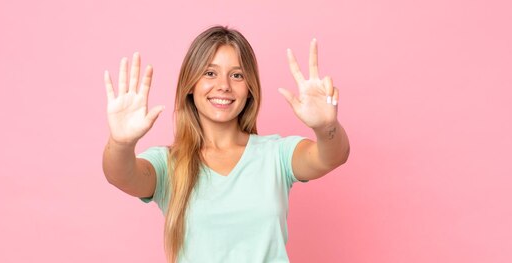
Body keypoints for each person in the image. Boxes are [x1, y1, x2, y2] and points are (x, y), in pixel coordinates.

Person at [102, 26, 350, 263]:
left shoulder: (276, 154)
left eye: (237, 75)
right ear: (191, 84)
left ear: (250, 88)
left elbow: (331, 156)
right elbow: (121, 175)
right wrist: (121, 143)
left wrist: (326, 126)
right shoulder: (169, 164)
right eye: (210, 73)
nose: (224, 85)